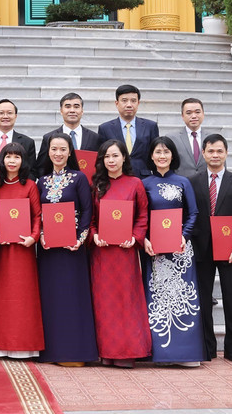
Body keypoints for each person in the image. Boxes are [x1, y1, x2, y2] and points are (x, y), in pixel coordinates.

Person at [190, 134, 232, 363]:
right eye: (210, 151)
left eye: (219, 151)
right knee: (203, 301)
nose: (215, 155)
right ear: (204, 154)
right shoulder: (193, 181)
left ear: (226, 153)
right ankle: (208, 348)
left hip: (231, 252)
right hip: (202, 250)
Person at [142, 136, 205, 366]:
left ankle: (187, 353)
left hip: (179, 250)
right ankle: (163, 354)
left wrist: (184, 236)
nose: (162, 156)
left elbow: (194, 213)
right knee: (158, 300)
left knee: (182, 295)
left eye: (166, 152)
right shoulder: (145, 183)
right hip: (155, 250)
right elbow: (141, 217)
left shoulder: (182, 182)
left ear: (172, 156)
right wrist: (145, 239)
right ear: (151, 155)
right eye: (158, 152)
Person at [36, 132, 97, 365]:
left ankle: (76, 350)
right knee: (52, 297)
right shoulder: (41, 181)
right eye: (54, 149)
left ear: (70, 152)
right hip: (49, 250)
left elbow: (87, 211)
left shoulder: (79, 178)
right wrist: (41, 234)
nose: (58, 153)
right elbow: (38, 214)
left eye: (63, 149)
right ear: (48, 152)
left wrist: (79, 239)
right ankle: (52, 350)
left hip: (73, 249)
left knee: (73, 296)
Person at [89, 139, 151, 368]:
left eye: (115, 156)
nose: (111, 160)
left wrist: (135, 238)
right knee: (105, 303)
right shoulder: (97, 185)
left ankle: (128, 352)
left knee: (126, 301)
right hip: (102, 254)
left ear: (124, 158)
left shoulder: (135, 184)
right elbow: (91, 219)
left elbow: (143, 216)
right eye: (107, 157)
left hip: (125, 253)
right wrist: (94, 235)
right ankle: (106, 351)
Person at [0, 143, 44, 359]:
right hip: (1, 250)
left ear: (23, 161)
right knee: (1, 297)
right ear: (1, 160)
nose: (12, 161)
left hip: (23, 250)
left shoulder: (30, 186)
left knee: (23, 296)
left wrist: (33, 237)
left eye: (16, 157)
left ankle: (25, 345)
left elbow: (37, 215)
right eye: (8, 156)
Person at [98, 84, 159, 178]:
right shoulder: (105, 128)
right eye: (124, 100)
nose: (129, 105)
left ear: (138, 103)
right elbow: (102, 158)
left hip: (144, 179)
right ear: (117, 103)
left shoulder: (150, 126)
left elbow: (155, 155)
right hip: (116, 178)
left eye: (133, 101)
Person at [36, 92, 101, 173]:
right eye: (68, 107)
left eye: (76, 107)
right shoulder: (49, 137)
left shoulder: (94, 137)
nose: (72, 110)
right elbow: (41, 167)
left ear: (82, 111)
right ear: (61, 111)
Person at [0, 99, 37, 179]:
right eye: (1, 113)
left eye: (9, 113)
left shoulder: (27, 142)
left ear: (16, 116)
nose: (5, 116)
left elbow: (32, 171)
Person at [168, 98, 214, 180]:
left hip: (207, 186)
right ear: (182, 116)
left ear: (203, 114)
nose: (194, 116)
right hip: (181, 185)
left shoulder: (213, 138)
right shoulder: (171, 138)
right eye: (189, 113)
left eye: (197, 112)